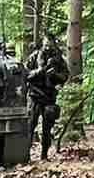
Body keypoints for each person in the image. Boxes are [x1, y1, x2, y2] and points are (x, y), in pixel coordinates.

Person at [25, 30, 70, 161]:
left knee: (47, 128)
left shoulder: (58, 59)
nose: (48, 46)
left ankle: (44, 155)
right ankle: (25, 155)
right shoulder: (34, 57)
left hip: (49, 97)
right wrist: (39, 72)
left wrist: (55, 75)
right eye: (46, 44)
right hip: (34, 95)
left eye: (50, 44)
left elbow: (65, 76)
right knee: (30, 125)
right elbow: (26, 74)